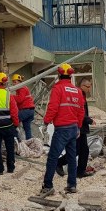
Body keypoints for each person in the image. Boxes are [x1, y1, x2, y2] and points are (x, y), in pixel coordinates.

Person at [39, 63, 85, 197]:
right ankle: (72, 185)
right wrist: (78, 127)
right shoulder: (77, 91)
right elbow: (81, 111)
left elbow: (53, 107)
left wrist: (46, 121)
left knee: (53, 157)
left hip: (62, 129)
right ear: (71, 75)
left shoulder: (57, 88)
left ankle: (48, 186)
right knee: (71, 157)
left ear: (59, 75)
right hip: (73, 128)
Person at [56, 78, 96, 178]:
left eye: (90, 86)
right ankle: (59, 163)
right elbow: (79, 112)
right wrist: (89, 120)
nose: (89, 89)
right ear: (82, 86)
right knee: (80, 150)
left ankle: (80, 171)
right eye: (88, 86)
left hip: (79, 126)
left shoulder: (81, 95)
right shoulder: (79, 95)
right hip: (78, 127)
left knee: (82, 150)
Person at [11, 74, 36, 140]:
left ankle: (16, 141)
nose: (13, 84)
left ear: (19, 82)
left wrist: (10, 96)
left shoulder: (22, 88)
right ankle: (29, 142)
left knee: (13, 122)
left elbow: (19, 99)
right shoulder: (23, 88)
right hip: (30, 111)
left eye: (15, 82)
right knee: (27, 128)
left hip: (26, 110)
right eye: (13, 82)